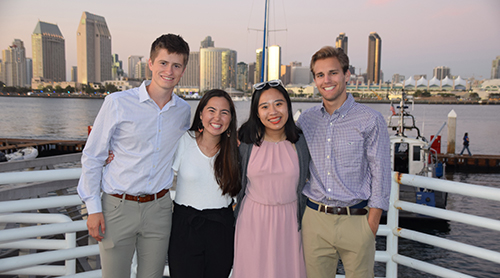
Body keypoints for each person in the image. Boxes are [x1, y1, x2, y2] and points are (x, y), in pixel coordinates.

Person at [77, 34, 191, 278]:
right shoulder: (117, 102)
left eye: (176, 65)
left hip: (159, 209)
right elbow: (93, 156)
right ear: (150, 63)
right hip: (117, 207)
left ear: (183, 70)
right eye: (163, 63)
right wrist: (93, 208)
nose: (169, 71)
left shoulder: (183, 111)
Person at [297, 46, 391, 278]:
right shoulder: (306, 120)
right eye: (320, 75)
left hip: (357, 220)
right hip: (315, 220)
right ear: (315, 80)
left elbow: (381, 172)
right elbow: (278, 140)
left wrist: (371, 224)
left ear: (347, 75)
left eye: (333, 73)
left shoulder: (371, 120)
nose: (326, 80)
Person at [232, 79, 310, 278]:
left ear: (288, 106)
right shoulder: (245, 143)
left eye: (279, 104)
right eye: (264, 106)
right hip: (253, 221)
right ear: (256, 112)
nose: (273, 112)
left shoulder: (301, 142)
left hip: (291, 222)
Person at [168, 89, 241, 278]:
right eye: (211, 110)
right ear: (200, 114)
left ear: (231, 118)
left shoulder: (236, 150)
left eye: (224, 112)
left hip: (221, 228)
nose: (217, 118)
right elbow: (156, 162)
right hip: (185, 225)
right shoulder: (184, 140)